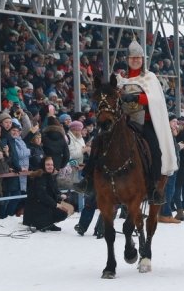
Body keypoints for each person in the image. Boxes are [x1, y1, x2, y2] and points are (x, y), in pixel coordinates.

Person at [74, 38, 178, 205]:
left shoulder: (149, 77)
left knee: (155, 151)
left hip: (144, 122)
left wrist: (137, 97)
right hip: (124, 121)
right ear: (128, 60)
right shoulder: (121, 78)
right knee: (98, 142)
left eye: (138, 58)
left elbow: (156, 99)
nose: (135, 61)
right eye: (132, 58)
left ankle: (153, 188)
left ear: (142, 60)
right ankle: (87, 179)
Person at [23, 156, 72, 232]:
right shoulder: (40, 177)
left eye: (52, 165)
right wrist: (56, 205)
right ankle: (42, 224)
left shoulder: (49, 176)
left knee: (64, 212)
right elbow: (42, 195)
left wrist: (60, 195)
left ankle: (49, 223)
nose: (50, 167)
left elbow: (55, 191)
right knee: (60, 211)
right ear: (43, 165)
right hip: (36, 207)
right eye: (48, 165)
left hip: (45, 204)